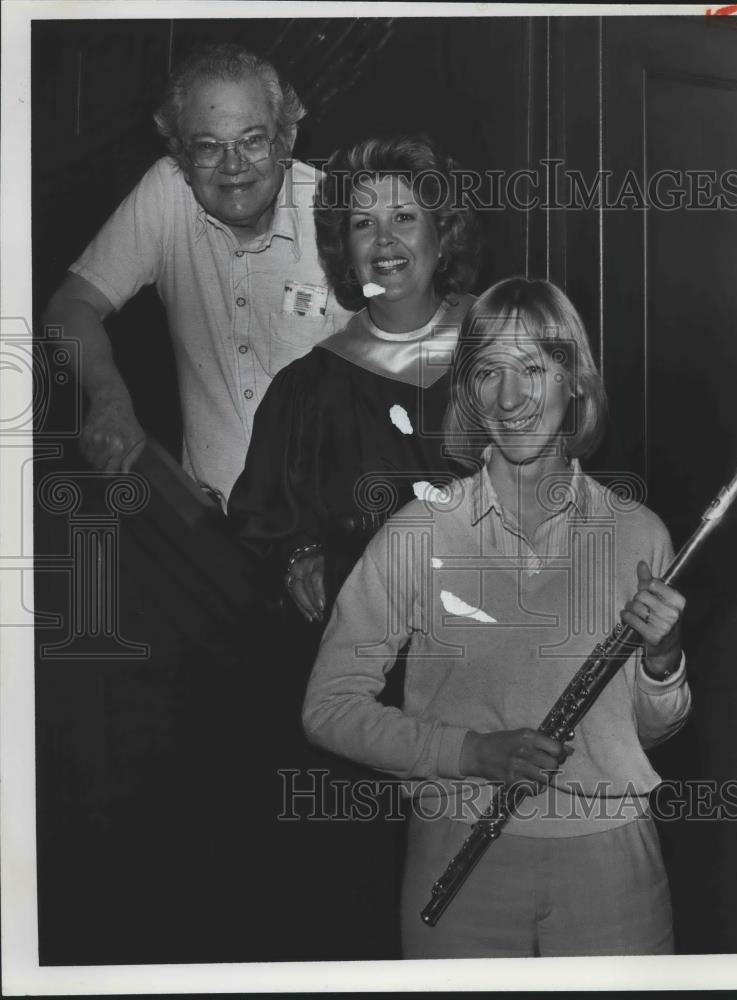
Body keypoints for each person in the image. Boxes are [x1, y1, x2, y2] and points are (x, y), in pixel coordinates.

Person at [302, 277, 692, 958]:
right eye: (488, 371)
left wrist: (663, 664)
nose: (509, 399)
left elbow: (650, 735)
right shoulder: (418, 533)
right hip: (458, 854)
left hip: (612, 863)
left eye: (533, 369)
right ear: (468, 391)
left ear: (575, 382)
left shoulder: (640, 534)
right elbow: (328, 708)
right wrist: (469, 752)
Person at [228, 135, 483, 959]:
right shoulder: (308, 388)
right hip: (373, 704)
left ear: (443, 233)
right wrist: (293, 551)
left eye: (406, 216)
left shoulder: (505, 355)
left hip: (499, 676)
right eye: (361, 222)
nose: (385, 240)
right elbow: (259, 520)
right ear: (340, 245)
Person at [42, 42, 351, 506]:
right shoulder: (168, 192)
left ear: (285, 141)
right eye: (208, 146)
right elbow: (68, 307)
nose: (233, 166)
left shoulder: (341, 214)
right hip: (212, 526)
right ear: (182, 158)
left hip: (324, 521)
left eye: (252, 140)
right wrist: (108, 398)